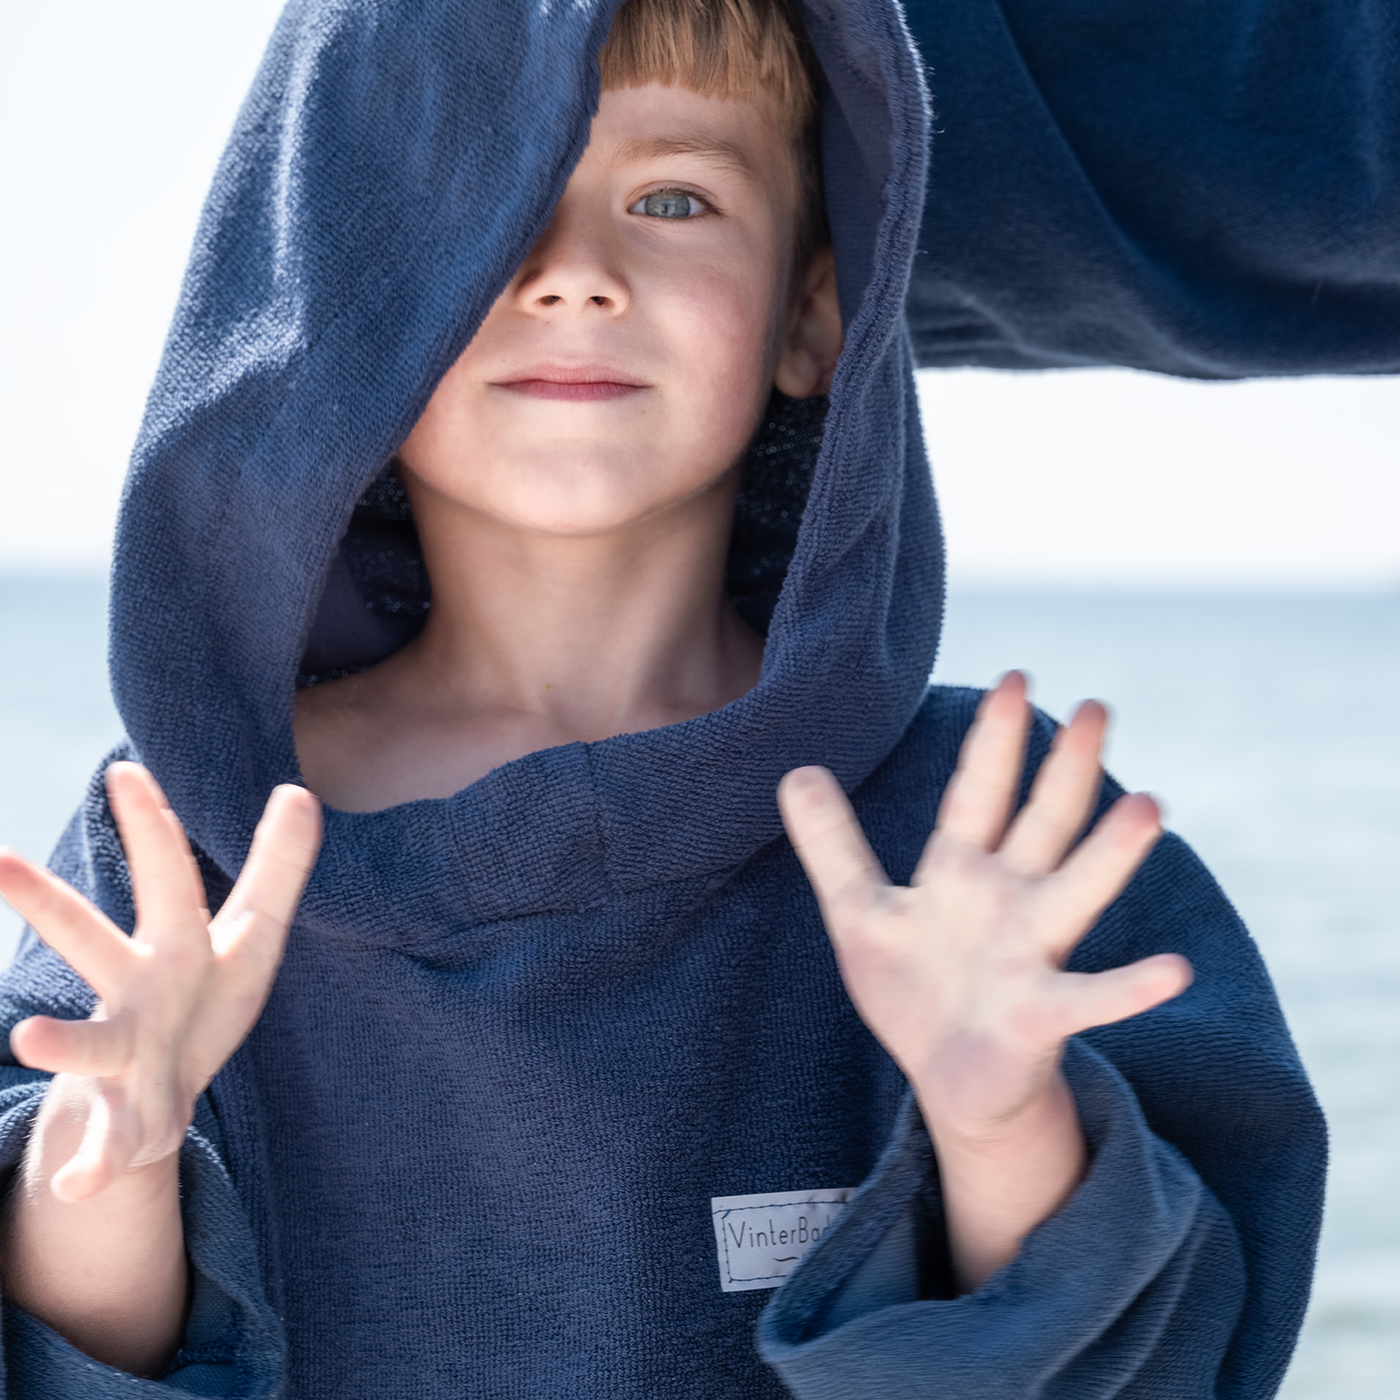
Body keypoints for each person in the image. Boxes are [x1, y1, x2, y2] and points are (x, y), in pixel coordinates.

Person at [0, 0, 1324, 1395]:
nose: (574, 274)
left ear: (813, 317)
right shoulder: (188, 854)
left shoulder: (979, 840)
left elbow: (1174, 1351)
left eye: (674, 197)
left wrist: (998, 1125)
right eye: (485, 202)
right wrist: (117, 1163)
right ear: (348, 318)